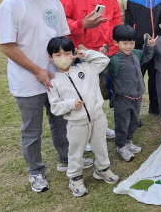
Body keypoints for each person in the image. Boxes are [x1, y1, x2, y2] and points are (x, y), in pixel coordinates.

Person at [0, 0, 80, 193]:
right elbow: (7, 46)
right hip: (27, 81)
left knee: (60, 122)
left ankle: (65, 159)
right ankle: (36, 172)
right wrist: (37, 71)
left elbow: (62, 36)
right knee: (32, 130)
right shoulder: (10, 5)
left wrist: (71, 59)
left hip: (56, 77)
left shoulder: (52, 0)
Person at [46, 37, 119, 197]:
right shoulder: (53, 82)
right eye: (58, 55)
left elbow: (103, 60)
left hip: (97, 117)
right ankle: (75, 178)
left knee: (100, 145)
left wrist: (85, 54)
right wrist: (70, 104)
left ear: (73, 54)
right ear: (51, 58)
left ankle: (103, 169)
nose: (63, 57)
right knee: (76, 151)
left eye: (67, 53)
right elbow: (55, 107)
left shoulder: (86, 68)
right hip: (76, 123)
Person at [110, 25, 154, 161]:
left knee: (134, 121)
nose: (128, 46)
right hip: (122, 98)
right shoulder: (114, 60)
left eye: (131, 43)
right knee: (122, 123)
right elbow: (103, 72)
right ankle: (120, 145)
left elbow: (146, 56)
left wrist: (149, 46)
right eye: (124, 43)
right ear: (116, 43)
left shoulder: (135, 54)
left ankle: (128, 141)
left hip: (137, 96)